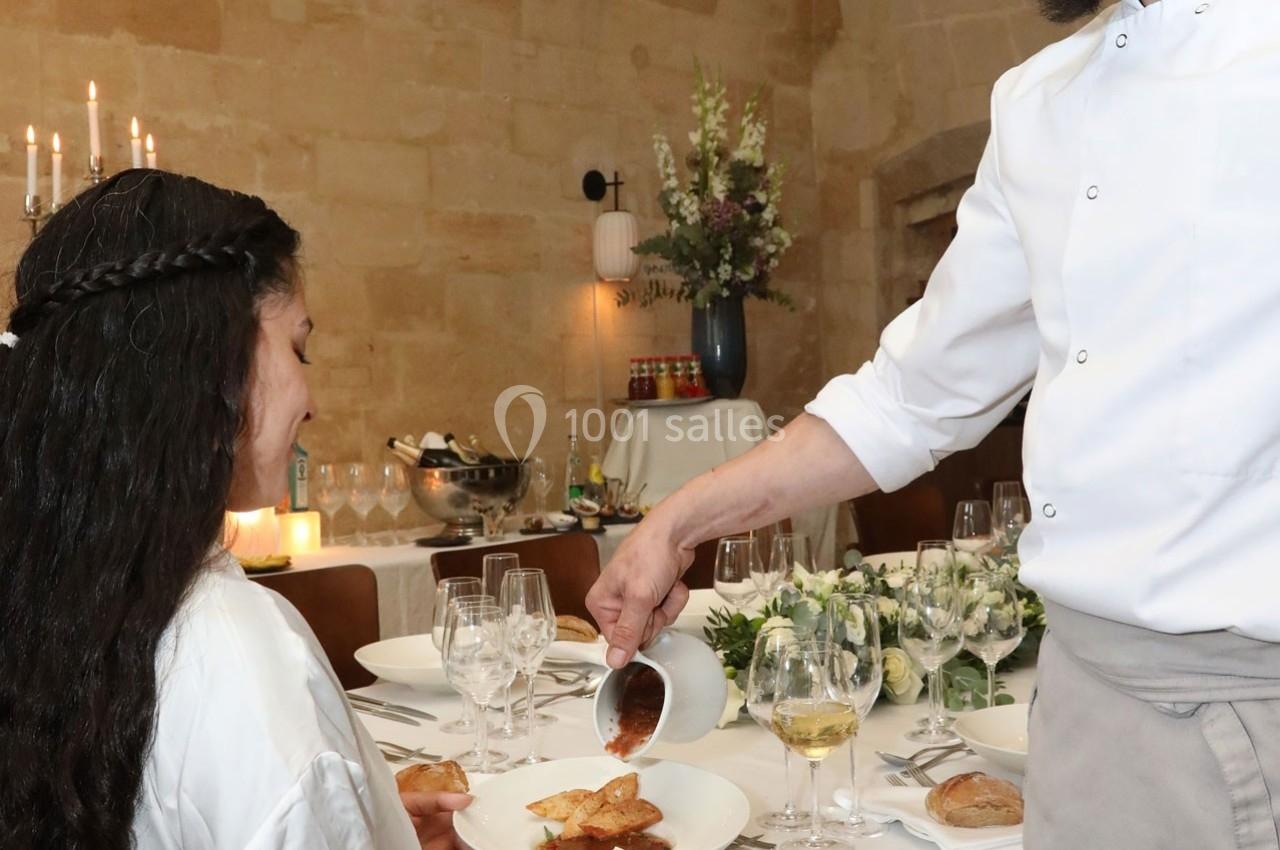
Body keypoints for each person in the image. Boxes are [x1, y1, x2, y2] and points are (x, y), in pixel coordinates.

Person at [588, 0, 1280, 846]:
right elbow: (906, 398)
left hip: (1241, 712)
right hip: (1072, 701)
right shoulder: (1037, 101)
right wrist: (677, 521)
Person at [0, 170, 468, 850]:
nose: (312, 402)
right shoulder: (244, 661)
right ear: (212, 365)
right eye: (297, 346)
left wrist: (366, 818)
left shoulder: (46, 595)